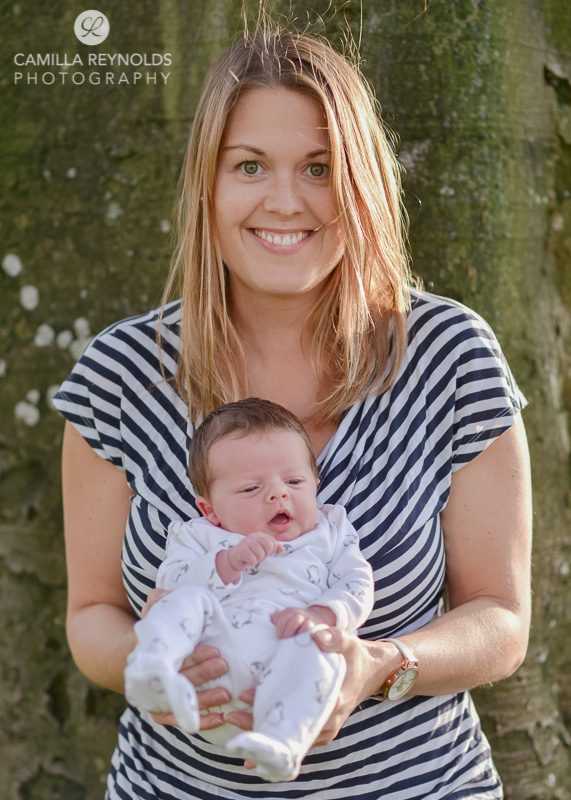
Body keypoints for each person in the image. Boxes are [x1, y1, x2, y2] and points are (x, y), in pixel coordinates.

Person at [54, 23, 532, 800]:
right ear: (207, 185)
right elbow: (91, 615)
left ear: (362, 184)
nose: (285, 201)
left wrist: (382, 664)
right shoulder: (120, 374)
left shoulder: (449, 355)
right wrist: (161, 664)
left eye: (319, 168)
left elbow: (501, 618)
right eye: (250, 166)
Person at [123, 397, 375, 782]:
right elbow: (169, 588)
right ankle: (154, 670)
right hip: (210, 675)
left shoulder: (331, 529)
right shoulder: (199, 536)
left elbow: (358, 583)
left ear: (315, 484)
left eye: (294, 481)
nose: (278, 494)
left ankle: (283, 743)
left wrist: (322, 615)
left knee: (322, 647)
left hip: (288, 667)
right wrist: (225, 563)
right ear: (210, 510)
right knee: (187, 601)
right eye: (251, 488)